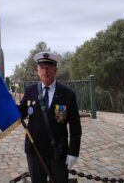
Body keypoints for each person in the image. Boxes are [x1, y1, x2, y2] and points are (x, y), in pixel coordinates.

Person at [18, 52, 82, 183]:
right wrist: (4, 102)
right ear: (37, 70)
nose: (45, 71)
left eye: (48, 67)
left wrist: (73, 152)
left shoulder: (67, 94)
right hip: (35, 151)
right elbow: (21, 113)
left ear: (55, 70)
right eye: (42, 67)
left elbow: (75, 127)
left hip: (58, 152)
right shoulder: (30, 90)